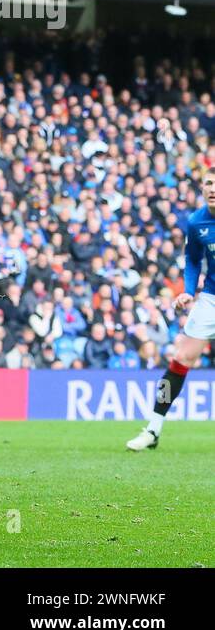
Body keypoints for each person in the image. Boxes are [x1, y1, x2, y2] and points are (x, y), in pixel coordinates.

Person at [127, 169, 215, 450]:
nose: (213, 188)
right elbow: (192, 260)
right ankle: (152, 430)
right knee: (181, 358)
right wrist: (189, 290)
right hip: (212, 297)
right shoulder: (196, 221)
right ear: (202, 188)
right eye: (209, 182)